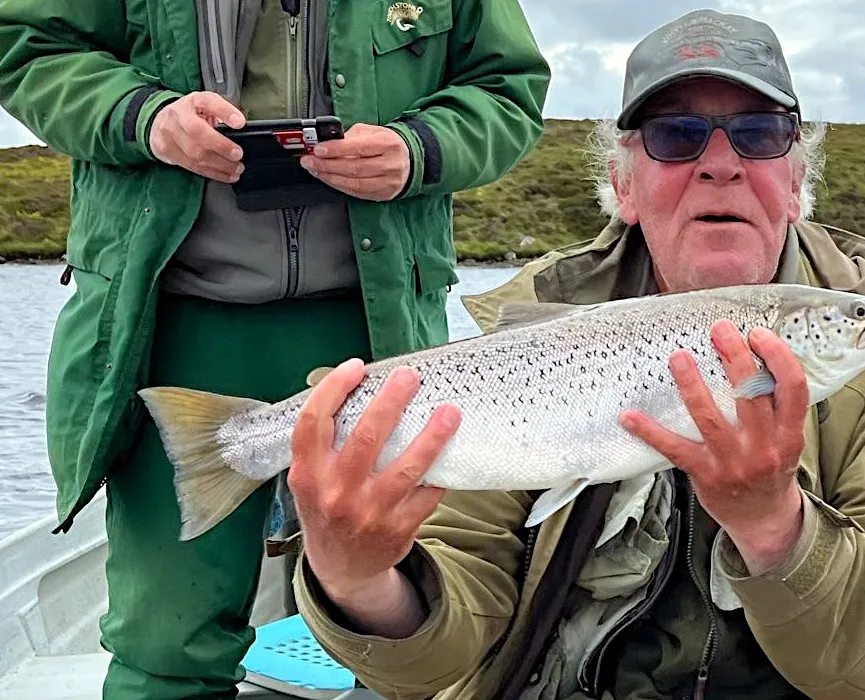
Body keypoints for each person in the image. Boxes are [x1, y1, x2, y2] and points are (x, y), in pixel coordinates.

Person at [286, 8, 865, 700]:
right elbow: (438, 652)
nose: (719, 162)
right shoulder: (538, 335)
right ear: (624, 188)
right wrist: (359, 581)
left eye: (759, 135)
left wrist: (776, 528)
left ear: (794, 184)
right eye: (676, 135)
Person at [0, 0, 549, 697]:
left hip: (376, 332)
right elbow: (26, 45)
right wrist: (145, 117)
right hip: (171, 327)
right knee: (166, 643)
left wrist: (421, 149)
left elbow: (508, 90)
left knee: (402, 626)